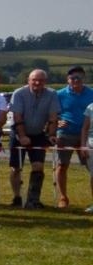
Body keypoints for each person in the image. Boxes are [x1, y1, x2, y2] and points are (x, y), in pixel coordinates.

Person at [9, 68, 57, 209]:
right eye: (34, 80)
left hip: (38, 134)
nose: (37, 83)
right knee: (16, 168)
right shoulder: (19, 93)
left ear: (45, 82)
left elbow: (53, 117)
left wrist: (52, 135)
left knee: (38, 166)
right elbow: (17, 116)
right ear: (28, 80)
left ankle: (33, 199)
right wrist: (22, 136)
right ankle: (17, 197)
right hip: (18, 133)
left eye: (41, 80)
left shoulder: (52, 94)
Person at [52, 66, 93, 209]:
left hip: (87, 136)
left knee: (91, 167)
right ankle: (63, 197)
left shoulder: (91, 94)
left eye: (79, 78)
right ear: (67, 79)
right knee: (62, 165)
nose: (76, 80)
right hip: (65, 134)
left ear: (84, 78)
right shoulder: (59, 94)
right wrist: (57, 121)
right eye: (72, 78)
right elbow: (51, 113)